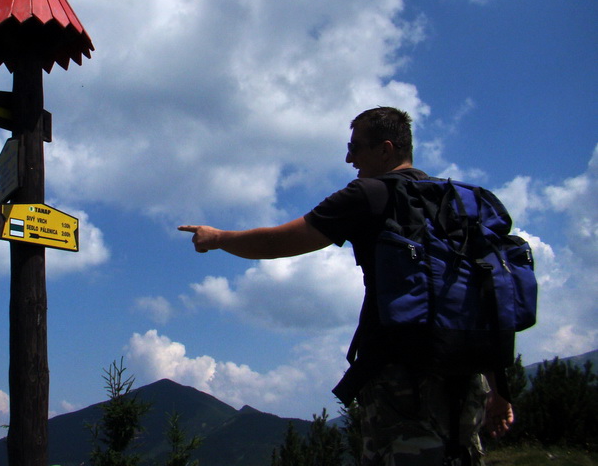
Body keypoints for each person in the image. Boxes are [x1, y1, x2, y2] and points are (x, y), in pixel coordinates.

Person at [179, 107, 513, 465]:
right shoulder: (462, 203)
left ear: (385, 150)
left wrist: (217, 237)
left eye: (356, 147)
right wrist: (500, 389)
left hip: (399, 378)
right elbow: (484, 297)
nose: (349, 158)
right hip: (467, 377)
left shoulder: (368, 194)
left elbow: (278, 243)